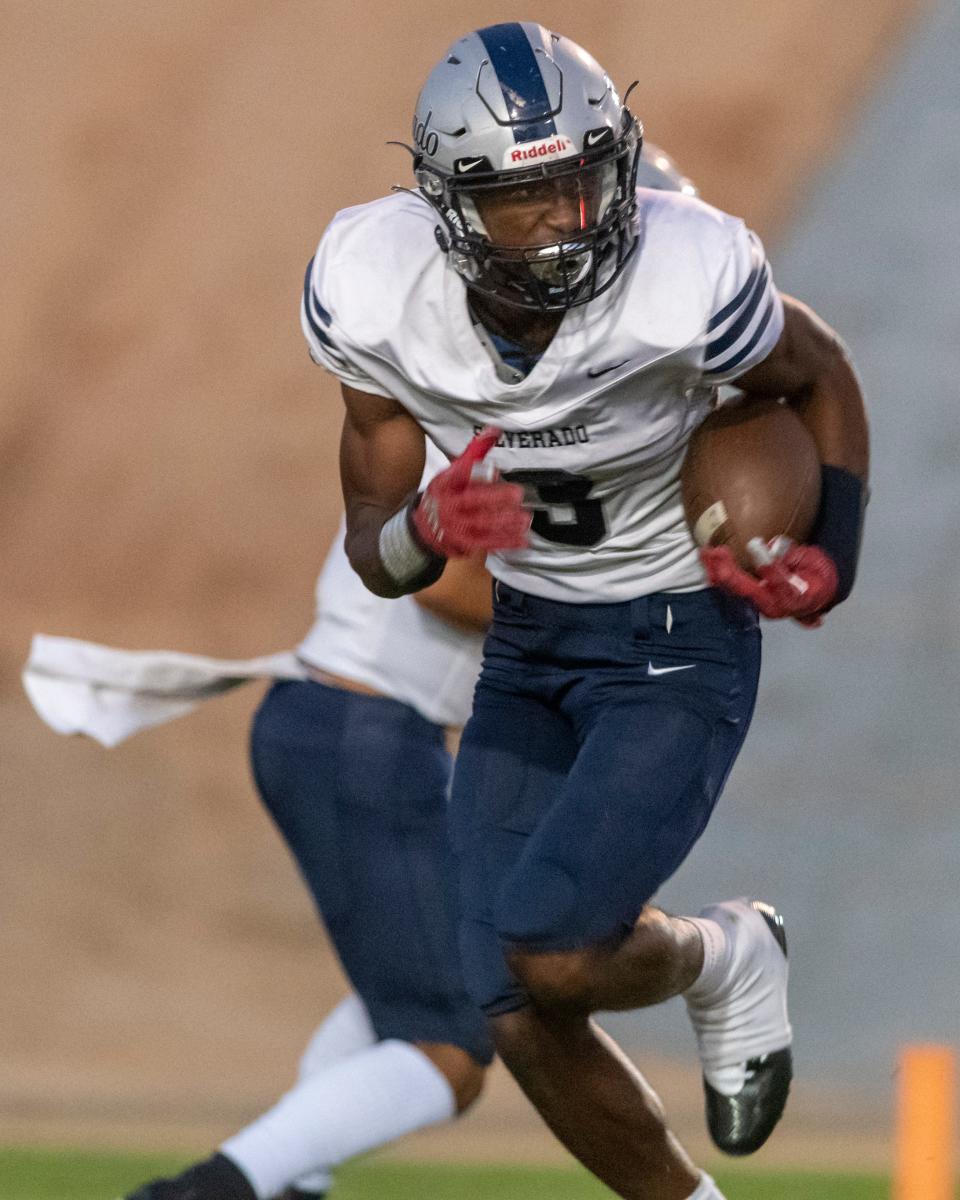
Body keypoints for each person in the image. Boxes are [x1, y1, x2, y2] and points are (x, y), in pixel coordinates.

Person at [302, 21, 869, 1200]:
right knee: (507, 1006)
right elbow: (375, 552)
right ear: (454, 203)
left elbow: (817, 374)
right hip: (530, 645)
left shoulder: (688, 274)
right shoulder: (372, 285)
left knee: (553, 955)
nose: (565, 221)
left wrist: (833, 559)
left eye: (582, 180)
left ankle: (726, 953)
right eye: (524, 197)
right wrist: (423, 533)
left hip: (673, 642)